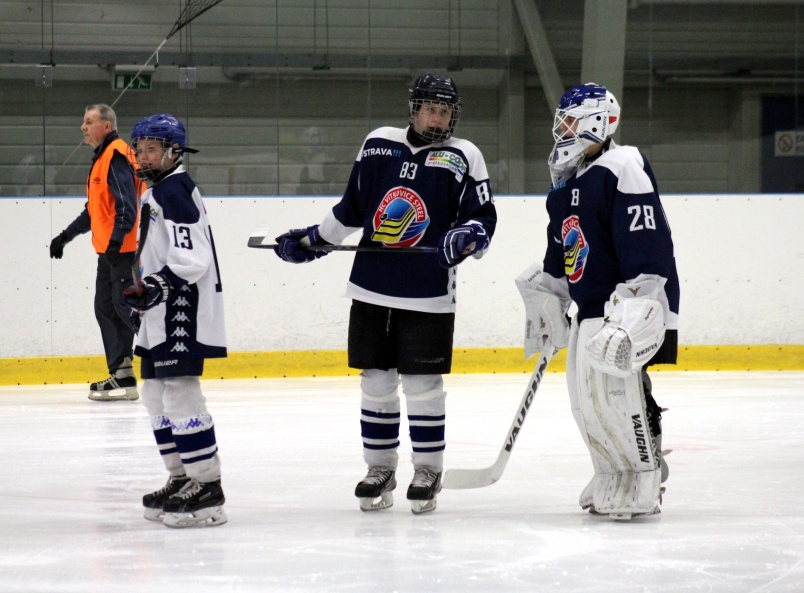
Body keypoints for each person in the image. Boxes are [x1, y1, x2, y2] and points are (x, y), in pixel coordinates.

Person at [273, 74, 497, 514]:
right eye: (430, 109)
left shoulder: (464, 155)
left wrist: (468, 235)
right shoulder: (378, 143)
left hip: (428, 291)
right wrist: (313, 240)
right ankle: (380, 469)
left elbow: (483, 217)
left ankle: (428, 470)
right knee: (375, 381)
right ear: (414, 109)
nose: (437, 119)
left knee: (422, 384)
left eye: (444, 111)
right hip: (372, 286)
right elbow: (352, 209)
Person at [516, 82, 679, 520]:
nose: (563, 131)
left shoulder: (622, 166)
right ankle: (609, 470)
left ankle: (643, 471)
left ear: (598, 123)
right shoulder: (566, 182)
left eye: (570, 122)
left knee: (619, 395)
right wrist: (548, 296)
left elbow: (647, 244)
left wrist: (637, 308)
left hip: (621, 309)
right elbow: (561, 253)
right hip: (588, 310)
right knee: (587, 404)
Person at [121, 114, 229, 528]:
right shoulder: (157, 190)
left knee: (180, 393)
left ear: (174, 151)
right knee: (155, 395)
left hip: (181, 307)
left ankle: (207, 485)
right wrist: (143, 294)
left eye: (152, 149)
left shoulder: (175, 189)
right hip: (159, 310)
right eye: (140, 149)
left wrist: (157, 286)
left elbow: (193, 257)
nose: (144, 156)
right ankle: (182, 476)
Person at [49, 104, 144, 401]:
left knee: (125, 308)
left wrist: (116, 241)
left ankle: (165, 361)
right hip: (110, 252)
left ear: (106, 126)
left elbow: (128, 204)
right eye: (84, 121)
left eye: (89, 121)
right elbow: (95, 211)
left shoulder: (115, 156)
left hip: (123, 251)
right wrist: (65, 237)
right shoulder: (102, 159)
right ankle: (122, 373)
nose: (83, 127)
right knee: (106, 307)